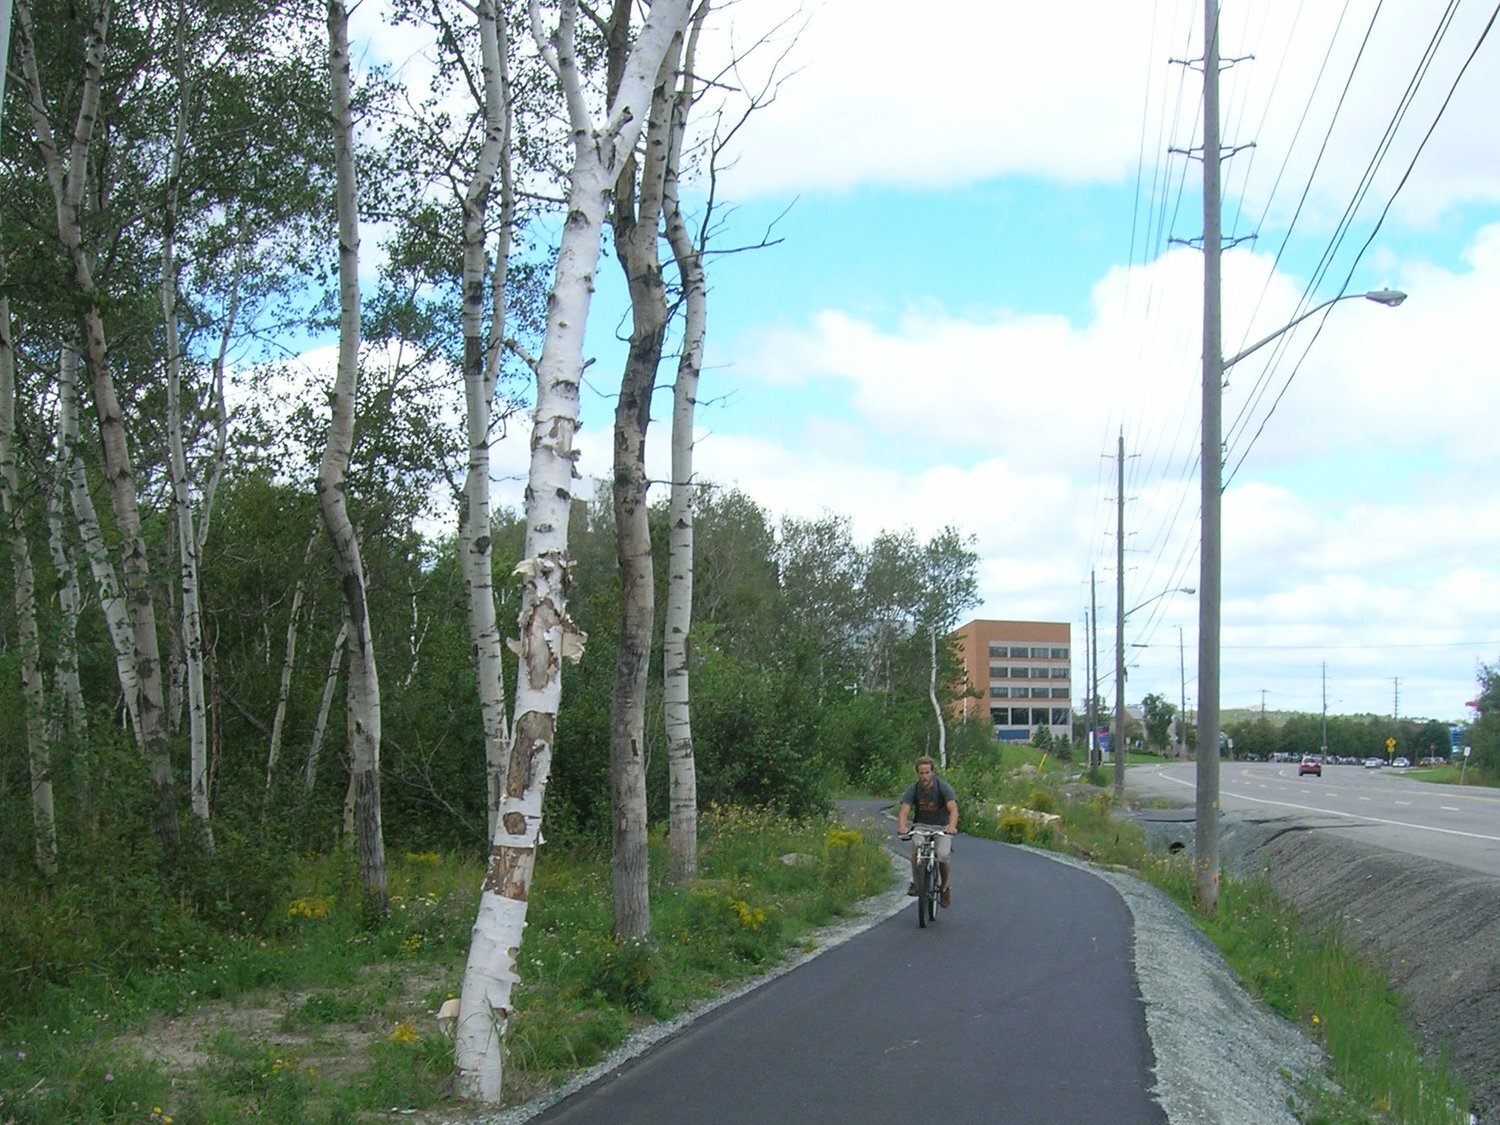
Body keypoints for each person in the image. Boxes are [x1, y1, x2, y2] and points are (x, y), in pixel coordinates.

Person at [896, 755, 958, 907]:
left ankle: (944, 887)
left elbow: (953, 809)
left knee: (943, 855)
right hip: (921, 826)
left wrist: (951, 826)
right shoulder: (914, 789)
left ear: (933, 772)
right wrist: (902, 827)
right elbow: (904, 810)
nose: (924, 776)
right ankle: (916, 883)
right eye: (921, 773)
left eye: (927, 772)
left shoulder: (943, 787)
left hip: (942, 827)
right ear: (917, 774)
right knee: (916, 846)